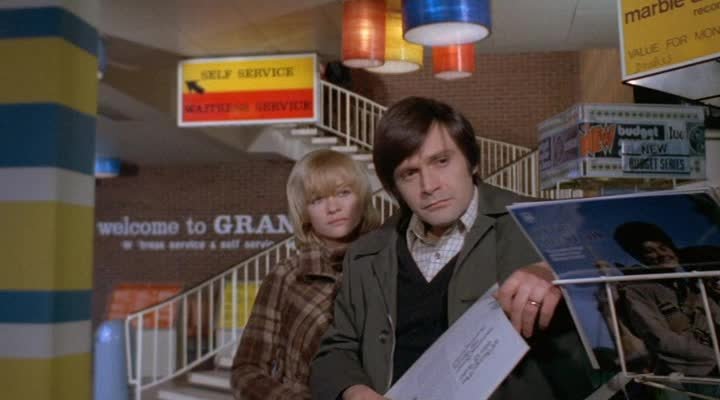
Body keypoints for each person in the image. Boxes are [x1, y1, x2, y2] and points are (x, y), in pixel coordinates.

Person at [311, 97, 595, 400]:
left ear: (472, 161)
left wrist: (558, 272)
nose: (429, 185)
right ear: (395, 188)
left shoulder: (544, 224)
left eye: (441, 161)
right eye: (409, 173)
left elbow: (621, 297)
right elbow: (336, 350)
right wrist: (354, 391)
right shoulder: (366, 255)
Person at [231, 149, 380, 400]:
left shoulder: (388, 262)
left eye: (343, 193)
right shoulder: (288, 275)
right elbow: (246, 371)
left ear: (362, 197)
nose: (333, 208)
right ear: (304, 211)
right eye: (317, 200)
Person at [612, 221, 720, 388]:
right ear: (640, 257)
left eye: (663, 247)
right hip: (693, 377)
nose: (662, 254)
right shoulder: (637, 291)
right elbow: (660, 339)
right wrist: (714, 359)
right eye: (650, 251)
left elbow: (716, 317)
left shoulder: (693, 286)